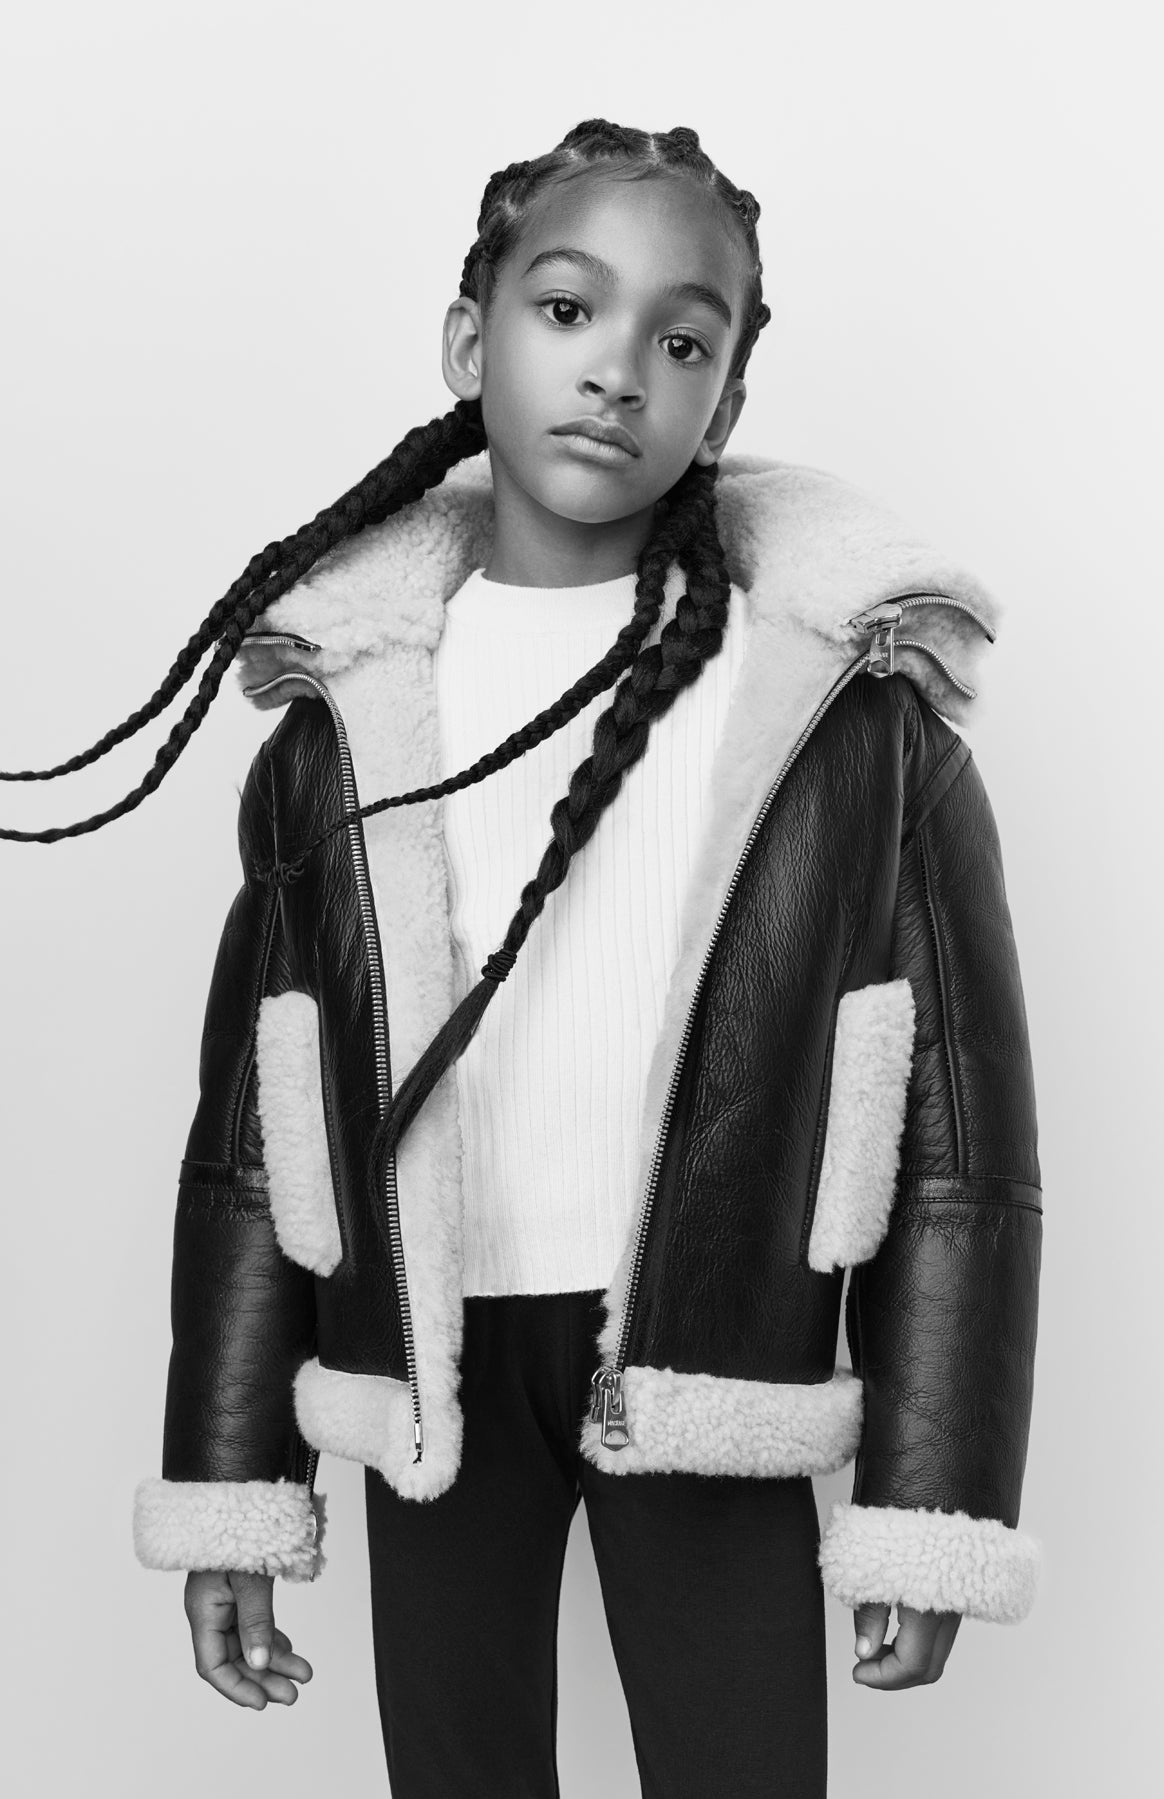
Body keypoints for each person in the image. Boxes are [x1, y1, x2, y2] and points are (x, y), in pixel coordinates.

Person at [1, 119, 1044, 1798]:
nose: (619, 369)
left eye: (683, 343)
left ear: (727, 407)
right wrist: (233, 1489)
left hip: (715, 1366)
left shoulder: (849, 718)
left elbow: (963, 1150)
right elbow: (259, 1132)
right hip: (436, 1381)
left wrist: (933, 1503)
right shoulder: (341, 721)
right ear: (466, 339)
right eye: (568, 310)